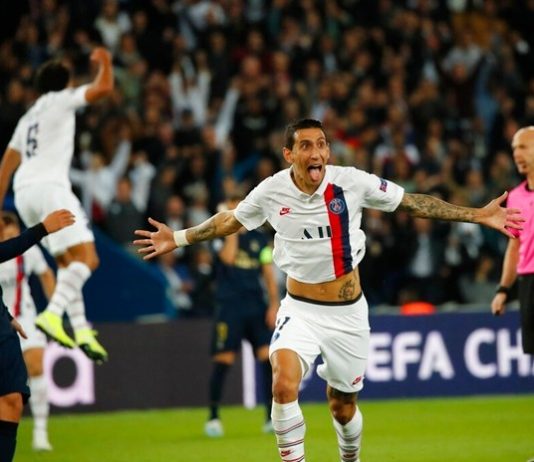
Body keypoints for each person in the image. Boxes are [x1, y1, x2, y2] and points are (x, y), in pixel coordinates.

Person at [134, 119, 523, 462]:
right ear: (289, 154)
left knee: (342, 408)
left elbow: (412, 203)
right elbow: (230, 221)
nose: (316, 152)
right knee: (283, 383)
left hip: (348, 314)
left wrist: (477, 214)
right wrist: (178, 238)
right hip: (299, 309)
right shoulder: (271, 191)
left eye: (321, 144)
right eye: (305, 145)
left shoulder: (351, 182)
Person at [0, 46, 114, 362]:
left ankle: (81, 328)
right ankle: (52, 314)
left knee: (67, 262)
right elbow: (104, 88)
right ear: (65, 83)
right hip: (51, 188)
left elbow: (5, 168)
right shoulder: (62, 99)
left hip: (24, 194)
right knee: (88, 258)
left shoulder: (27, 118)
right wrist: (105, 62)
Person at [0, 209, 74, 462]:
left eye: (13, 231)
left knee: (36, 367)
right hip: (5, 320)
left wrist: (54, 310)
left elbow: (46, 273)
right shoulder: (6, 251)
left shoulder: (27, 253)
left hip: (24, 316)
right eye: (6, 232)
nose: (10, 235)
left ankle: (41, 431)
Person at [204, 195, 279, 438]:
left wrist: (273, 304)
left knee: (267, 359)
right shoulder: (219, 236)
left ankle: (270, 418)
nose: (238, 211)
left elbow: (267, 271)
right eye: (232, 208)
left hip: (256, 305)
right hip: (229, 307)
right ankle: (213, 417)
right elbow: (227, 258)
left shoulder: (260, 239)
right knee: (223, 360)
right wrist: (232, 229)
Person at [491, 126, 534, 354]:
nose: (517, 153)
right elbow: (514, 245)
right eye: (514, 148)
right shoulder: (515, 197)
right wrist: (503, 289)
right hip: (528, 282)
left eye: (523, 147)